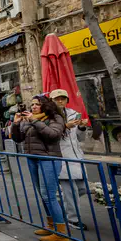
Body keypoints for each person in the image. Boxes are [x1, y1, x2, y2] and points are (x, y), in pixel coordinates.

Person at [12, 95, 68, 241]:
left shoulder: (54, 117)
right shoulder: (32, 119)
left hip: (48, 159)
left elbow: (53, 135)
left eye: (37, 104)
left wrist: (34, 121)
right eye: (32, 104)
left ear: (45, 105)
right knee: (43, 195)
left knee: (49, 195)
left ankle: (61, 233)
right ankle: (51, 226)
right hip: (33, 158)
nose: (34, 107)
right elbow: (18, 139)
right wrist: (16, 124)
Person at [51, 89, 90, 231]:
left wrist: (81, 127)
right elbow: (51, 136)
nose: (60, 101)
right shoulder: (50, 117)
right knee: (71, 191)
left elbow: (79, 138)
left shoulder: (73, 113)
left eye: (63, 98)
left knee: (83, 188)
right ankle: (72, 219)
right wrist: (66, 126)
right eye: (57, 99)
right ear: (52, 101)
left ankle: (63, 204)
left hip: (77, 157)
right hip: (61, 157)